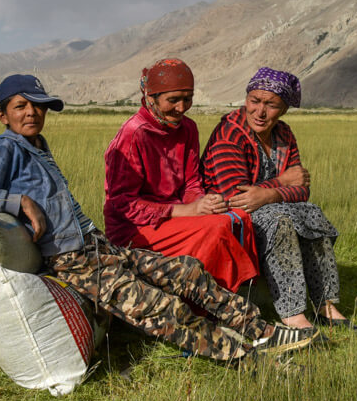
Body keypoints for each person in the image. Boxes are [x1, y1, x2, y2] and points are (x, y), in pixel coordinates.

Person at [0, 73, 315, 364]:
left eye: (38, 106)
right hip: (71, 261)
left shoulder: (35, 144)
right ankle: (245, 354)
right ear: (3, 115)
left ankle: (261, 329)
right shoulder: (5, 148)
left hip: (95, 244)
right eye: (21, 107)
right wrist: (20, 203)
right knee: (159, 306)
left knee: (187, 272)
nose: (32, 113)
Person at [202, 68, 355, 332]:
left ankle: (324, 304)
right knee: (280, 221)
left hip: (268, 205)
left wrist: (267, 193)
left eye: (271, 105)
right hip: (231, 216)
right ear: (246, 99)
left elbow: (302, 189)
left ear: (283, 109)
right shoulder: (229, 136)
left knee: (312, 213)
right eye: (254, 101)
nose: (260, 112)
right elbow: (238, 199)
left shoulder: (283, 134)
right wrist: (281, 183)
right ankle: (292, 313)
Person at [103, 58, 261, 293]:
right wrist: (189, 211)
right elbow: (124, 205)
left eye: (187, 99)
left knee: (239, 217)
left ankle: (234, 293)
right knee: (216, 228)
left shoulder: (187, 128)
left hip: (174, 217)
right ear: (151, 98)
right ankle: (204, 303)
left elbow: (190, 183)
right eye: (173, 100)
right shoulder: (133, 135)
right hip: (134, 229)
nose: (181, 107)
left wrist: (203, 202)